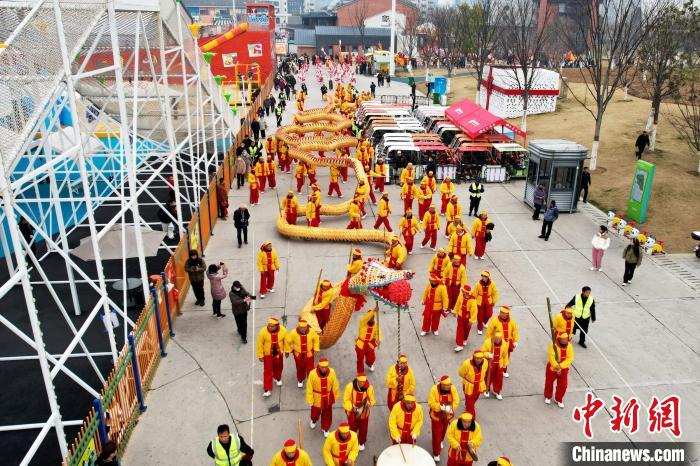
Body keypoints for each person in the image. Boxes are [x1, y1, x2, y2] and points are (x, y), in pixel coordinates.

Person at [428, 376, 460, 461]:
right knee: (436, 434)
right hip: (436, 416)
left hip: (447, 414)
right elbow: (431, 403)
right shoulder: (434, 389)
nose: (447, 387)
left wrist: (449, 409)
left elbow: (456, 400)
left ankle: (440, 441)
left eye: (448, 385)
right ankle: (436, 453)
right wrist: (439, 407)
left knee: (444, 430)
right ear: (441, 384)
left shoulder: (453, 389)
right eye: (445, 385)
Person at [306, 358, 340, 437]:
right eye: (322, 367)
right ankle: (314, 420)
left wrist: (335, 396)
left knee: (327, 414)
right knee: (315, 412)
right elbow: (309, 387)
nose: (324, 369)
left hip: (328, 398)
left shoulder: (332, 372)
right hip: (317, 398)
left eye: (326, 367)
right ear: (319, 366)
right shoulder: (312, 373)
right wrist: (310, 399)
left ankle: (325, 428)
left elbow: (335, 385)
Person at [343, 373, 375, 451]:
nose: (362, 383)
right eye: (360, 381)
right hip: (352, 412)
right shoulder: (349, 387)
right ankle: (352, 441)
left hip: (364, 413)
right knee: (352, 428)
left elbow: (372, 400)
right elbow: (346, 400)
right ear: (357, 380)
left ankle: (361, 442)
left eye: (363, 382)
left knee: (363, 429)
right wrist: (352, 407)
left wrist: (369, 404)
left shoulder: (369, 388)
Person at [484, 306, 518, 377]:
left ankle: (504, 370)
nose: (503, 314)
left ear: (508, 314)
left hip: (507, 343)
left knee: (506, 357)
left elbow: (515, 331)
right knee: (495, 357)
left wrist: (515, 340)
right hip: (497, 343)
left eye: (505, 313)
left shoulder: (512, 321)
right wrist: (488, 342)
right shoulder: (494, 321)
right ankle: (493, 370)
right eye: (502, 313)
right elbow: (489, 332)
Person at [257, 317, 287, 397]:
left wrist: (287, 351)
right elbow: (259, 344)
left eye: (272, 326)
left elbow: (286, 341)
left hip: (279, 354)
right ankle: (267, 389)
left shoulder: (283, 330)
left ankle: (277, 378)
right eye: (269, 325)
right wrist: (260, 355)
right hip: (267, 355)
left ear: (277, 326)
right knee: (267, 371)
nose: (270, 327)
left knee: (279, 367)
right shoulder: (263, 332)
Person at [285, 319, 319, 387]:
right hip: (298, 355)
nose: (303, 329)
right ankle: (300, 379)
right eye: (301, 328)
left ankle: (311, 381)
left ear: (307, 327)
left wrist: (316, 348)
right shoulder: (293, 333)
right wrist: (287, 351)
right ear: (298, 327)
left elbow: (316, 339)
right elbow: (287, 341)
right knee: (300, 368)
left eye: (304, 327)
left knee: (310, 369)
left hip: (309, 354)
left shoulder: (312, 331)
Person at [544, 332, 574, 408]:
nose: (565, 340)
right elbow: (551, 357)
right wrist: (556, 366)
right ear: (559, 339)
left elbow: (570, 358)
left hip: (564, 368)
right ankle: (548, 396)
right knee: (549, 383)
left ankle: (558, 399)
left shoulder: (570, 346)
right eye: (563, 339)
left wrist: (560, 366)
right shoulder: (553, 345)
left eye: (566, 339)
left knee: (563, 385)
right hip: (552, 367)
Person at [458, 350, 489, 417]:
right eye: (477, 358)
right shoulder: (467, 363)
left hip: (479, 385)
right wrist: (469, 379)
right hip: (469, 385)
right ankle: (471, 416)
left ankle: (468, 405)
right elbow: (461, 373)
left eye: (481, 358)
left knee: (475, 398)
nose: (479, 360)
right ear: (473, 357)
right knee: (470, 401)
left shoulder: (485, 362)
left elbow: (485, 371)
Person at [482, 330, 509, 400]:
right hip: (490, 363)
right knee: (488, 377)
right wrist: (488, 355)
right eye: (496, 338)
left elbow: (505, 354)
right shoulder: (487, 342)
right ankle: (486, 389)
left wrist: (505, 364)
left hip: (499, 363)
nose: (498, 340)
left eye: (499, 338)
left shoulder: (504, 343)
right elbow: (482, 352)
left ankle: (498, 391)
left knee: (499, 379)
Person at [452, 284, 477, 352]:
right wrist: (455, 311)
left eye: (463, 291)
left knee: (467, 329)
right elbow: (457, 304)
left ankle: (464, 339)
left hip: (468, 318)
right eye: (462, 291)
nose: (462, 292)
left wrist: (472, 320)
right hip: (460, 316)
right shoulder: (461, 296)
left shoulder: (473, 300)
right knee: (460, 330)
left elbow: (474, 310)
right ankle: (459, 345)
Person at [355, 308, 381, 373]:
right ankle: (360, 372)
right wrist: (373, 311)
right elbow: (364, 318)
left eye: (373, 317)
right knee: (360, 359)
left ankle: (369, 364)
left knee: (371, 357)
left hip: (369, 344)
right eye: (370, 317)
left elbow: (378, 332)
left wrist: (378, 339)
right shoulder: (362, 322)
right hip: (361, 344)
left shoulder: (375, 325)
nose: (371, 318)